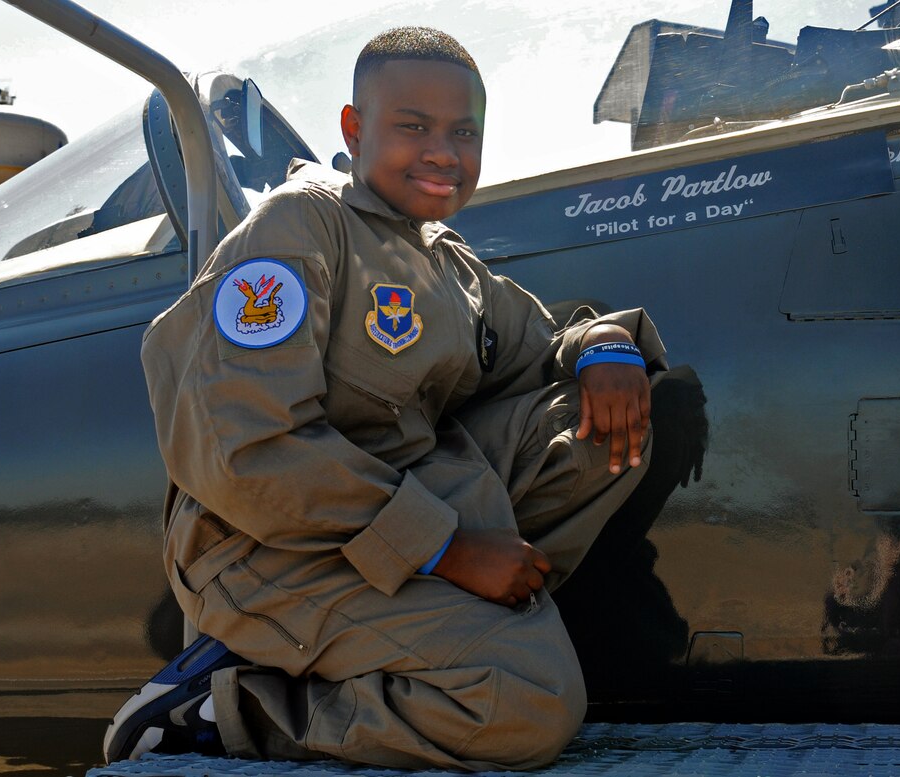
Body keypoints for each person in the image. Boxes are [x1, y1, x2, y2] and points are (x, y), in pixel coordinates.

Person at [104, 26, 670, 771]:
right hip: (262, 548)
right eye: (413, 127)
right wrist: (449, 548)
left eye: (464, 132)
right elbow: (249, 451)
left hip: (386, 510)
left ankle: (408, 637)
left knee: (606, 429)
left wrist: (607, 346)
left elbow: (542, 341)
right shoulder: (299, 227)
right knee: (527, 698)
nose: (444, 152)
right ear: (354, 129)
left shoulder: (445, 260)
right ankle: (227, 706)